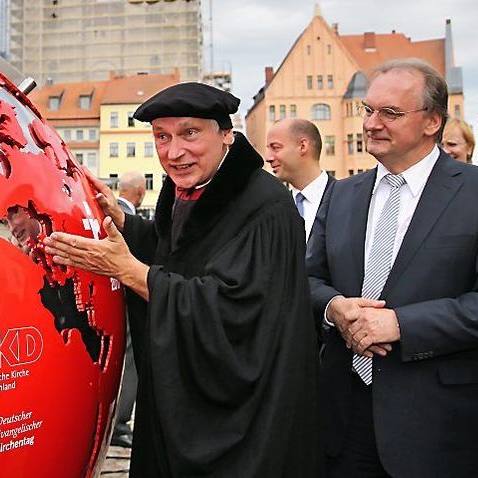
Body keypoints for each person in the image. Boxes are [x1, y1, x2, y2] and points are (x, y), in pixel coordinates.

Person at [44, 82, 321, 477]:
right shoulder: (184, 192)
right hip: (180, 407)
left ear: (226, 134)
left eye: (190, 133)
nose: (174, 153)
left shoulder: (265, 206)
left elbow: (232, 310)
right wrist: (125, 224)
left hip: (245, 424)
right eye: (162, 137)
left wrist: (129, 271)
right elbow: (175, 255)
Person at [307, 59, 478, 477]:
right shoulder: (341, 195)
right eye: (368, 110)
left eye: (390, 113)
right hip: (344, 419)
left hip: (440, 426)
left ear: (432, 122)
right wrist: (334, 307)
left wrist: (401, 324)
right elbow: (307, 280)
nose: (372, 124)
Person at [110, 171, 146, 449]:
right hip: (125, 298)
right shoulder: (123, 218)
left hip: (108, 301)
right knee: (130, 358)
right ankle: (120, 422)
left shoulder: (107, 210)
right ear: (141, 192)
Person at [265, 118, 333, 242]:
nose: (268, 157)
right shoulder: (272, 209)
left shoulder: (347, 200)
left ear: (302, 146)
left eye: (275, 148)